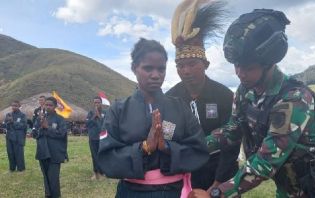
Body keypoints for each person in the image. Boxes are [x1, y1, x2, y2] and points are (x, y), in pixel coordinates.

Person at [189, 9, 315, 198]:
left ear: (268, 63)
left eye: (248, 67)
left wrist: (216, 193)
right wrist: (193, 147)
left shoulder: (294, 99)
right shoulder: (245, 91)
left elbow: (265, 162)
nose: (240, 73)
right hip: (288, 184)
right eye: (236, 65)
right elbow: (232, 130)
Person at [98, 38, 209, 198]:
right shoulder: (119, 109)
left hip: (173, 191)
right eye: (148, 68)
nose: (156, 75)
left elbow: (199, 149)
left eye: (161, 69)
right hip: (131, 192)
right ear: (135, 68)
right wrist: (144, 147)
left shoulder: (180, 107)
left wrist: (167, 148)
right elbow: (106, 157)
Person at [166, 0, 239, 191]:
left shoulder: (223, 95)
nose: (186, 71)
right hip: (185, 175)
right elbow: (167, 136)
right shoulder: (171, 98)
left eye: (192, 64)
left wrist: (218, 184)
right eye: (181, 66)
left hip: (219, 173)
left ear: (205, 64)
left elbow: (231, 143)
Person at [32, 97, 68, 198]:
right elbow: (34, 134)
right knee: (46, 178)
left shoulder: (60, 119)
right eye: (46, 105)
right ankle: (47, 195)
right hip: (42, 151)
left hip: (55, 153)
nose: (48, 107)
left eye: (50, 105)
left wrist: (48, 128)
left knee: (53, 179)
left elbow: (62, 134)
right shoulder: (40, 119)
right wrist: (40, 128)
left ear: (55, 106)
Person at [86, 96, 106, 180]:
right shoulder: (90, 113)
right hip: (93, 137)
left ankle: (103, 172)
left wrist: (100, 117)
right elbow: (87, 124)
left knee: (102, 155)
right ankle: (96, 173)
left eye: (98, 102)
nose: (97, 104)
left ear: (101, 103)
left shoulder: (106, 112)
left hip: (103, 137)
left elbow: (107, 124)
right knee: (94, 155)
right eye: (95, 102)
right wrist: (94, 117)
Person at [4, 100, 27, 172]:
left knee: (19, 153)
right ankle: (12, 168)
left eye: (16, 106)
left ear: (19, 106)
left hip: (18, 137)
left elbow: (23, 126)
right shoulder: (8, 114)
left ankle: (21, 168)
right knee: (10, 153)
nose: (14, 107)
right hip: (9, 137)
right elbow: (5, 125)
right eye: (12, 105)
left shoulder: (23, 115)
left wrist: (13, 122)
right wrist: (7, 123)